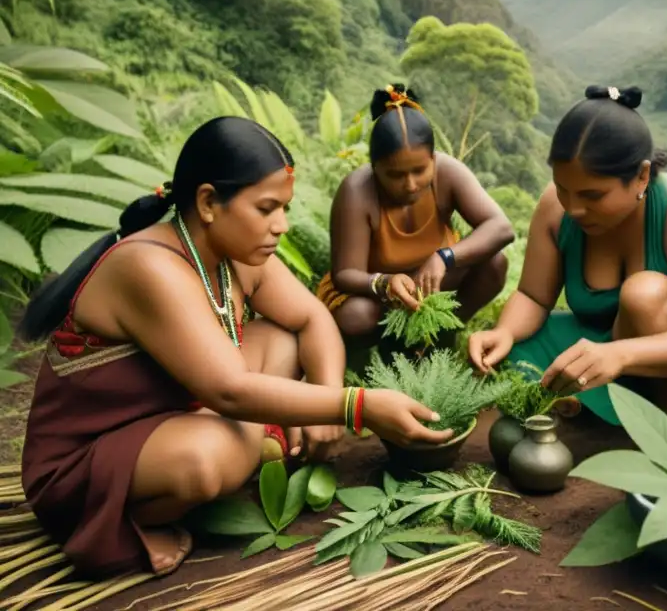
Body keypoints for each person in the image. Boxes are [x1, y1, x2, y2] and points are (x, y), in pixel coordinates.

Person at [18, 117, 455, 581]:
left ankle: (254, 438)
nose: (281, 226)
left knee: (283, 338)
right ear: (208, 203)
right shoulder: (150, 267)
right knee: (210, 459)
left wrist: (323, 401)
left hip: (176, 414)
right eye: (267, 208)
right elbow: (229, 391)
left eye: (285, 208)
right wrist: (355, 406)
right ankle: (132, 519)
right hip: (84, 469)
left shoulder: (234, 256)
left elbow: (312, 319)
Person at [467, 86, 667, 430]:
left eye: (593, 195)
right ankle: (600, 404)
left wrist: (620, 355)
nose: (573, 208)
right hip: (602, 339)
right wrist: (505, 332)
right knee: (515, 352)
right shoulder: (556, 208)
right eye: (563, 188)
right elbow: (532, 296)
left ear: (642, 176)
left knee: (644, 295)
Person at [317, 84, 514, 361]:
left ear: (433, 160)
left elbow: (501, 228)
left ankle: (441, 333)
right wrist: (386, 282)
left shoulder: (448, 173)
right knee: (357, 317)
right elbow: (345, 274)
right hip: (378, 292)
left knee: (495, 263)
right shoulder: (356, 191)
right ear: (375, 168)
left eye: (420, 171)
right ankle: (388, 346)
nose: (410, 184)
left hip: (434, 281)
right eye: (395, 175)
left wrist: (445, 257)